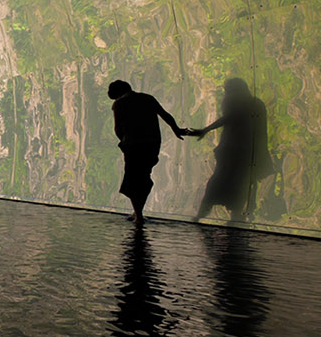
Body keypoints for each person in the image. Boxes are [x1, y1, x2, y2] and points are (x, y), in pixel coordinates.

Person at [188, 78, 271, 222]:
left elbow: (228, 118)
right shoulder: (257, 103)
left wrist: (206, 130)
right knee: (243, 185)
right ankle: (236, 217)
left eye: (227, 90)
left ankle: (201, 215)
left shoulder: (234, 102)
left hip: (232, 153)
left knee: (216, 183)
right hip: (248, 154)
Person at [108, 79, 187, 226]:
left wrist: (124, 141)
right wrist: (176, 130)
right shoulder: (147, 98)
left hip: (133, 145)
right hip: (152, 144)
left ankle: (138, 216)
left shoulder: (119, 104)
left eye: (110, 90)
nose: (108, 93)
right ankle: (138, 213)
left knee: (133, 179)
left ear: (117, 91)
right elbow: (166, 115)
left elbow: (118, 128)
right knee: (144, 176)